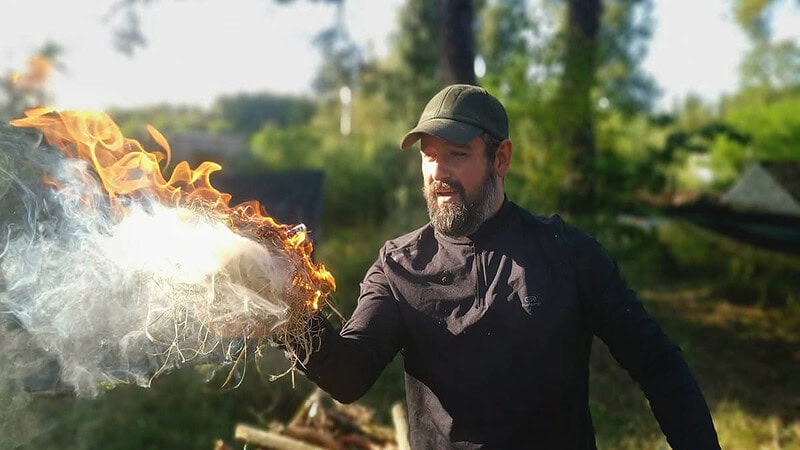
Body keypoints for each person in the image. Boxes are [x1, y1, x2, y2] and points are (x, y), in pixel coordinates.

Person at [293, 84, 720, 449]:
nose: (438, 172)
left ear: (501, 159)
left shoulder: (567, 254)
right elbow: (348, 375)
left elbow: (657, 364)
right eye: (429, 156)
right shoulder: (398, 266)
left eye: (457, 154)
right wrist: (284, 314)